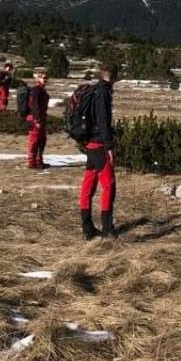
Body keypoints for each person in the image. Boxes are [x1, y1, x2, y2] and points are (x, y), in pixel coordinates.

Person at [78, 63, 118, 240]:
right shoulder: (103, 93)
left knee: (88, 184)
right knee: (108, 185)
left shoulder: (93, 90)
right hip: (99, 144)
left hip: (89, 143)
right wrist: (109, 146)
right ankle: (107, 228)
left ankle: (87, 227)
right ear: (114, 77)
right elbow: (103, 121)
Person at [26, 71, 50, 169]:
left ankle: (39, 161)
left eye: (46, 78)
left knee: (42, 140)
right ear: (37, 79)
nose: (45, 80)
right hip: (35, 118)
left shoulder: (42, 90)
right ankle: (31, 162)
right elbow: (34, 105)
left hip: (41, 118)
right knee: (34, 141)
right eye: (42, 78)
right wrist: (37, 120)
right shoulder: (36, 90)